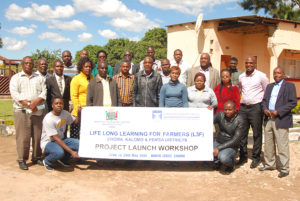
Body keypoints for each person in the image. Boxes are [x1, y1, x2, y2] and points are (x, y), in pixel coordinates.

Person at [9, 56, 47, 170]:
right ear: (22, 64)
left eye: (30, 63)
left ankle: (36, 157)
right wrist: (27, 104)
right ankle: (22, 159)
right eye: (26, 63)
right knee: (23, 137)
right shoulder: (16, 78)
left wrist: (35, 103)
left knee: (37, 135)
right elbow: (15, 94)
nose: (28, 65)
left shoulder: (39, 78)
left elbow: (44, 92)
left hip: (37, 110)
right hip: (22, 111)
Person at [260, 67, 297, 178]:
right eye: (274, 73)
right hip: (268, 118)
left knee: (282, 144)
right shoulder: (269, 86)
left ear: (283, 74)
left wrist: (278, 111)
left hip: (281, 118)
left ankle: (284, 168)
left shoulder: (290, 86)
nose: (276, 75)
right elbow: (264, 101)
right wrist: (265, 109)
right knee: (268, 143)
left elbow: (293, 102)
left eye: (279, 73)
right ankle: (270, 164)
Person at [238, 56, 269, 168]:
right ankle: (243, 156)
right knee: (242, 134)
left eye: (251, 63)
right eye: (247, 63)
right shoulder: (241, 76)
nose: (249, 65)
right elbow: (241, 90)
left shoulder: (261, 76)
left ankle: (256, 157)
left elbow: (267, 91)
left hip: (256, 108)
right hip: (243, 108)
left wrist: (264, 106)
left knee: (257, 133)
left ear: (255, 64)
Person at [41, 97, 81, 171]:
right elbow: (56, 139)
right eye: (56, 103)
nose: (59, 105)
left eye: (61, 103)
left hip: (61, 139)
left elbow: (75, 122)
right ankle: (47, 161)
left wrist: (79, 112)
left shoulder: (65, 113)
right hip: (49, 142)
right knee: (59, 152)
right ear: (52, 105)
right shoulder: (49, 119)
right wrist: (72, 152)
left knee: (80, 144)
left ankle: (63, 159)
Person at [213, 100, 244, 173]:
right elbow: (209, 120)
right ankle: (217, 162)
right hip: (218, 141)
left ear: (235, 109)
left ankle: (231, 165)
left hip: (231, 145)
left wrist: (219, 148)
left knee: (223, 157)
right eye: (225, 109)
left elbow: (235, 140)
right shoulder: (220, 114)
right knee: (208, 151)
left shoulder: (240, 120)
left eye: (230, 110)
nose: (227, 112)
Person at [70, 57, 94, 139]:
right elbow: (74, 96)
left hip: (90, 110)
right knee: (77, 135)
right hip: (80, 111)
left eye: (90, 67)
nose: (88, 68)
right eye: (86, 67)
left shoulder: (92, 78)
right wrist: (78, 110)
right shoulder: (76, 79)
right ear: (81, 67)